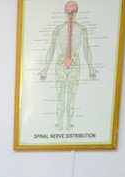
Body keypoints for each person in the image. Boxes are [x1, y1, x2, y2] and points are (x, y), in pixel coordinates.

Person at [38, 1, 97, 131]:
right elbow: (51, 50)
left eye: (73, 11)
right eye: (70, 11)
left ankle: (67, 125)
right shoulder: (58, 29)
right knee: (62, 95)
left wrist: (91, 66)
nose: (71, 13)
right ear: (66, 12)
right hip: (61, 62)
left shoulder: (81, 29)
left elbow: (86, 49)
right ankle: (61, 124)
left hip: (74, 61)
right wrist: (45, 69)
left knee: (70, 95)